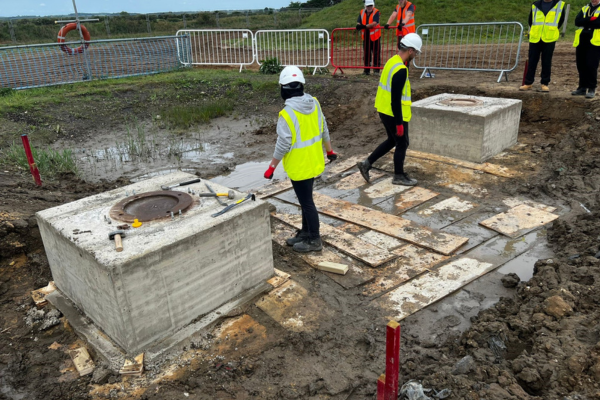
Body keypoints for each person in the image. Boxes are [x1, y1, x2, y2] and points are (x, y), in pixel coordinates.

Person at [264, 66, 337, 253]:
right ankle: (305, 232)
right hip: (313, 161)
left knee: (306, 202)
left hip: (299, 166)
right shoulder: (314, 103)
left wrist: (272, 167)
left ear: (284, 89)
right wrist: (329, 151)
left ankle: (314, 239)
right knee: (306, 199)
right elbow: (324, 128)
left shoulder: (287, 114)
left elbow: (283, 145)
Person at [357, 33, 422, 186]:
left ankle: (366, 163)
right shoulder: (400, 69)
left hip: (384, 109)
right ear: (411, 50)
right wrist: (399, 123)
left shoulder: (392, 61)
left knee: (393, 140)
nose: (416, 55)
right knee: (402, 143)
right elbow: (395, 99)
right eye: (416, 52)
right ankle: (398, 175)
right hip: (393, 112)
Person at [519, 0, 565, 93]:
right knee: (532, 61)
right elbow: (531, 20)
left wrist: (550, 29)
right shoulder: (535, 4)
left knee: (546, 61)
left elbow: (560, 20)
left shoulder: (559, 5)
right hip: (535, 37)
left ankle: (544, 83)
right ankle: (528, 83)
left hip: (549, 37)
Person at [572, 0, 600, 99]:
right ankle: (582, 88)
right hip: (582, 40)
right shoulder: (585, 8)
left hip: (595, 41)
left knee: (591, 65)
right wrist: (590, 19)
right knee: (581, 64)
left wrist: (586, 21)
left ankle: (592, 88)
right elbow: (577, 21)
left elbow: (599, 23)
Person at [356, 0, 382, 75]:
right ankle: (366, 70)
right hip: (366, 37)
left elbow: (374, 23)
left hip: (375, 37)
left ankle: (376, 71)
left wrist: (364, 26)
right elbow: (359, 21)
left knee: (376, 54)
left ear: (373, 5)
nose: (369, 7)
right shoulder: (362, 12)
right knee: (366, 54)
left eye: (370, 5)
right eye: (368, 6)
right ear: (365, 6)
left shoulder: (376, 12)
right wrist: (359, 25)